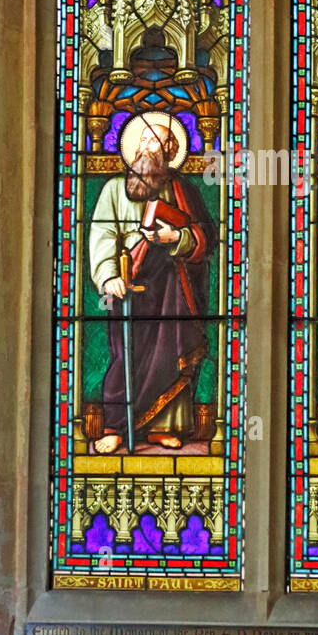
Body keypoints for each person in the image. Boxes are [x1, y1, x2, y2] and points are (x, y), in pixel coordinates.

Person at [88, 113, 216, 453]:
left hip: (174, 289)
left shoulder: (182, 190)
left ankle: (163, 426)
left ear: (171, 150)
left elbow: (206, 238)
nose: (149, 147)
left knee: (172, 353)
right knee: (126, 354)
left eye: (158, 143)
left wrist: (176, 236)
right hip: (129, 285)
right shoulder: (115, 189)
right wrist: (108, 275)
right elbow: (102, 234)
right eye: (143, 140)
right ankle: (116, 426)